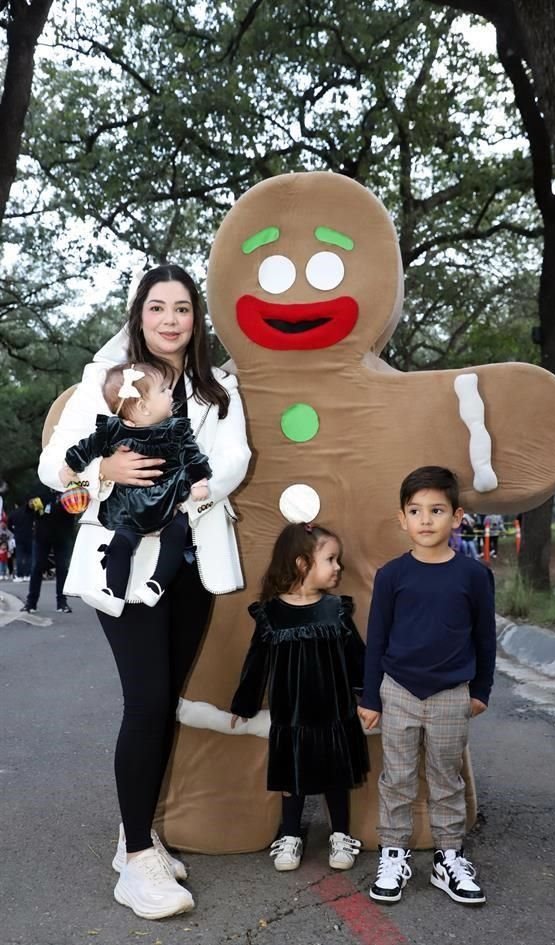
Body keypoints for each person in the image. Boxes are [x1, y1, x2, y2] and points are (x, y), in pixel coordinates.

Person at [37, 264, 251, 920]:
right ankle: (135, 861)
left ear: (195, 320)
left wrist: (202, 485)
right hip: (123, 564)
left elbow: (236, 456)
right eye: (156, 307)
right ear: (139, 315)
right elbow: (53, 466)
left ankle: (138, 833)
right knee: (147, 698)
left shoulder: (218, 390)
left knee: (162, 704)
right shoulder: (108, 384)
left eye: (180, 308)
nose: (168, 319)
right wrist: (104, 465)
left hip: (193, 563)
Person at [358, 466, 495, 906]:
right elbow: (376, 638)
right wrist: (369, 694)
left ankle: (448, 858)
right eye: (415, 511)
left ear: (456, 517)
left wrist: (481, 690)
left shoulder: (474, 576)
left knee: (445, 778)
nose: (425, 520)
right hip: (398, 690)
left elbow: (484, 638)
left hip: (452, 693)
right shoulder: (392, 576)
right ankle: (394, 853)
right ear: (402, 518)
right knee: (396, 777)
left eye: (437, 510)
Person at [230, 523, 369, 873]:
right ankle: (290, 835)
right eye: (331, 559)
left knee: (336, 777)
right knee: (292, 781)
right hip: (291, 717)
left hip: (336, 714)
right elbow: (256, 662)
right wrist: (244, 705)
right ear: (302, 564)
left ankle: (340, 835)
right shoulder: (271, 614)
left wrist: (367, 697)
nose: (338, 567)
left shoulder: (336, 609)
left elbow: (357, 658)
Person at [60, 361, 211, 617]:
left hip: (168, 498)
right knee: (120, 545)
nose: (170, 395)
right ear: (142, 405)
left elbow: (193, 457)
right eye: (163, 391)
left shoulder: (175, 430)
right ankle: (114, 593)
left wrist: (199, 481)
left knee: (175, 534)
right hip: (130, 505)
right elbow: (86, 447)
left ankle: (156, 584)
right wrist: (71, 466)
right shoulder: (112, 431)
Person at [20, 488, 76, 613]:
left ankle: (62, 603)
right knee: (37, 568)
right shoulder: (40, 488)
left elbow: (75, 508)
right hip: (42, 535)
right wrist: (30, 504)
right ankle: (31, 603)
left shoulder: (67, 488)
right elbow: (27, 508)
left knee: (62, 569)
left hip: (63, 535)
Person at [8, 500, 35, 581]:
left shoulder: (14, 513)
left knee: (19, 556)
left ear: (16, 505)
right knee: (29, 556)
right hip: (29, 535)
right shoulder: (30, 512)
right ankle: (28, 575)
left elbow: (9, 524)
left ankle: (20, 575)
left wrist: (14, 531)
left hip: (19, 536)